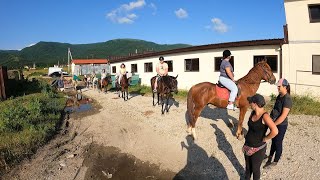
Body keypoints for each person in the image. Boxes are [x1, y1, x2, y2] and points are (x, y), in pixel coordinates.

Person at [243, 94, 278, 180]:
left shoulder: (265, 116)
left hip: (258, 148)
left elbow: (275, 131)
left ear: (255, 103)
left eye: (251, 102)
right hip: (248, 145)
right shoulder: (252, 113)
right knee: (248, 169)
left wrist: (265, 138)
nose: (249, 103)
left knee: (255, 170)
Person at [263, 78, 292, 169]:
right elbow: (275, 110)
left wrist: (273, 124)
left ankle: (275, 161)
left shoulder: (287, 99)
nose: (278, 88)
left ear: (285, 87)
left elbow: (283, 116)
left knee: (278, 142)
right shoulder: (279, 96)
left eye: (279, 87)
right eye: (278, 86)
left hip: (281, 124)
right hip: (274, 122)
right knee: (273, 141)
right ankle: (270, 156)